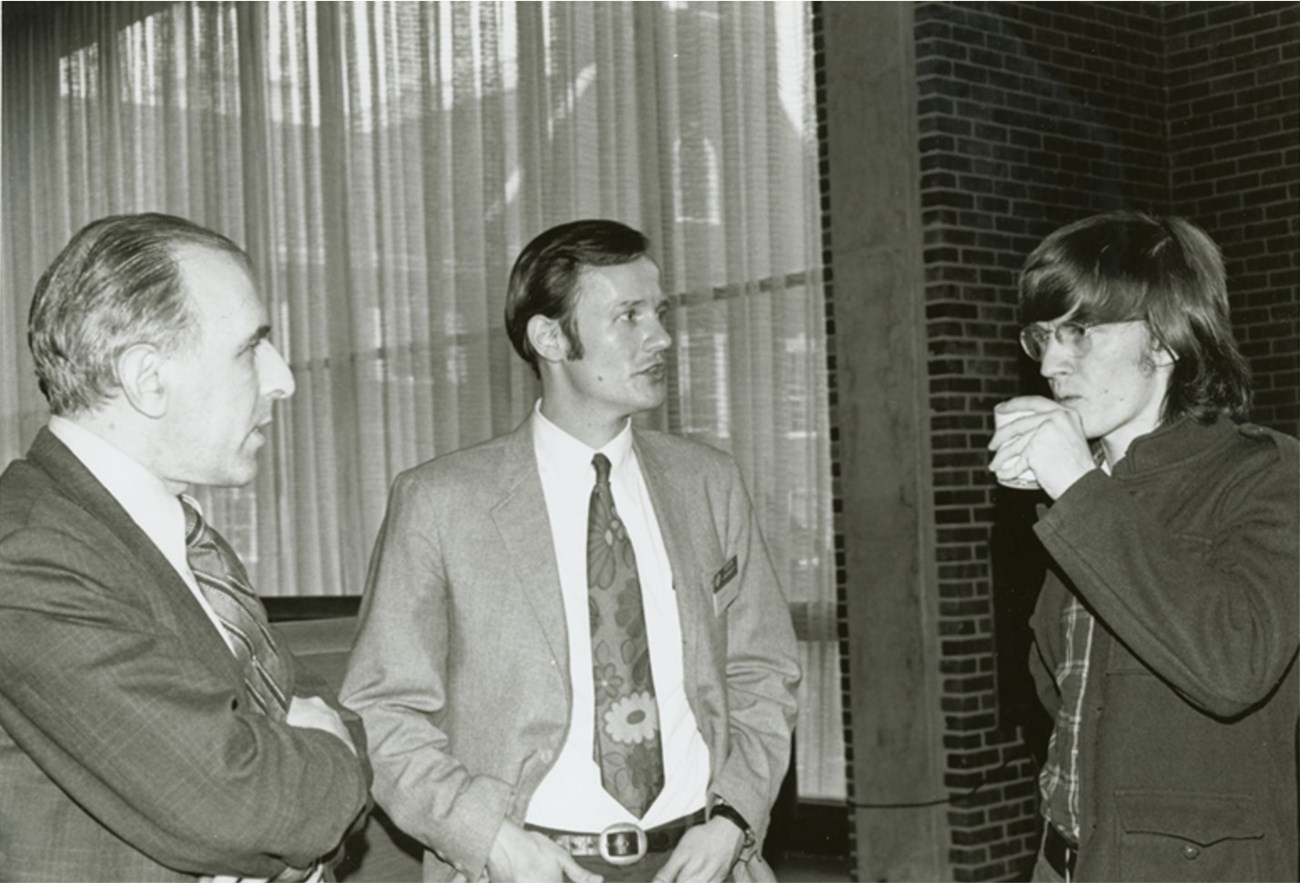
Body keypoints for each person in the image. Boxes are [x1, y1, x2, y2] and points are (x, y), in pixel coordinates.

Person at [341, 219, 800, 883]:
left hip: (699, 863)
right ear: (550, 338)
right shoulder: (439, 501)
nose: (662, 337)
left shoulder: (709, 482)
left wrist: (733, 817)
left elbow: (763, 668)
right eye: (628, 316)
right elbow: (383, 708)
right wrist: (489, 837)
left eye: (660, 311)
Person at [0, 213, 370, 880]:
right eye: (252, 346)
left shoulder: (171, 532)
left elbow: (315, 731)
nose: (283, 378)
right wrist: (312, 785)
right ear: (147, 377)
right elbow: (240, 801)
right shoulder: (27, 555)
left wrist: (301, 805)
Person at [987, 211, 1299, 882]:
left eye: (1077, 332)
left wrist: (1075, 487)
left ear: (1162, 339)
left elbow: (1233, 664)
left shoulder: (1266, 473)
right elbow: (1058, 686)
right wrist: (1064, 493)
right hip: (1064, 860)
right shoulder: (1093, 488)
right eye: (1041, 335)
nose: (1047, 362)